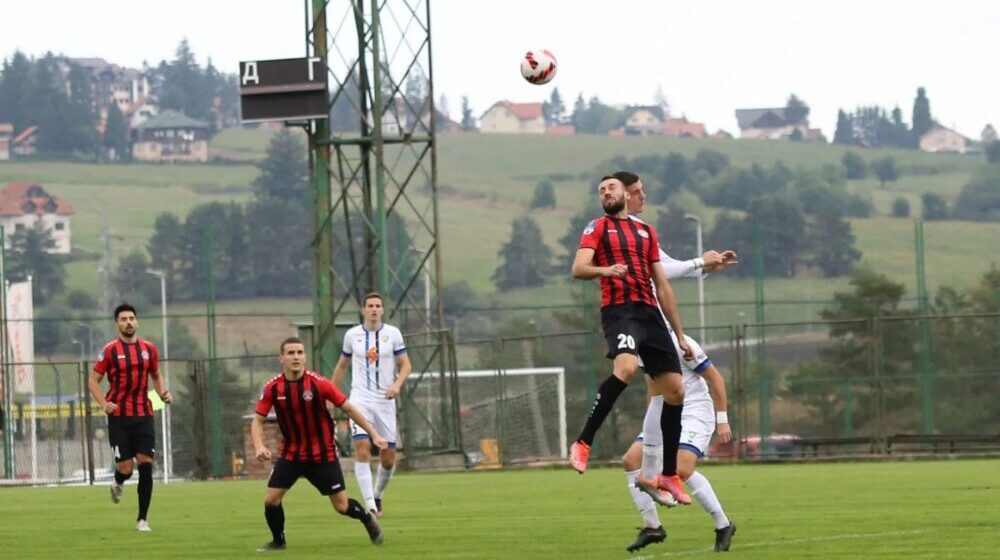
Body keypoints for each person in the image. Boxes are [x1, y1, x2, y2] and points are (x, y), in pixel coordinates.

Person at [569, 174, 694, 504]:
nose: (605, 192)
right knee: (625, 369)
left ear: (625, 193)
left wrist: (679, 334)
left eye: (610, 187)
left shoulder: (646, 232)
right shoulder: (597, 227)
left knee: (676, 391)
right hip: (620, 311)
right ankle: (583, 441)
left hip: (650, 314)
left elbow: (662, 285)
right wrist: (605, 270)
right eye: (601, 190)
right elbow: (579, 268)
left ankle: (668, 475)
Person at [252, 337, 385, 551]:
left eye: (300, 352)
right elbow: (258, 420)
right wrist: (259, 446)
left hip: (322, 455)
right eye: (291, 353)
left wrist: (374, 434)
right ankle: (278, 542)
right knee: (271, 499)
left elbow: (349, 409)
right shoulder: (273, 388)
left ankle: (367, 519)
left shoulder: (319, 384)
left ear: (305, 357)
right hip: (291, 454)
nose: (296, 357)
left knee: (341, 506)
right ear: (281, 358)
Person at [623, 332, 737, 553]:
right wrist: (650, 423)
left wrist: (722, 419)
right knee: (631, 460)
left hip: (695, 411)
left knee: (680, 469)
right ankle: (652, 527)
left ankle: (723, 524)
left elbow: (716, 379)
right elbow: (653, 388)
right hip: (665, 411)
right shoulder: (641, 347)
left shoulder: (681, 344)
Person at [87, 303, 171, 532]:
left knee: (145, 464)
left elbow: (156, 375)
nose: (129, 322)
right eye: (124, 319)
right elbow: (93, 381)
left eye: (132, 318)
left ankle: (142, 520)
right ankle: (118, 481)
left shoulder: (149, 349)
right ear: (117, 324)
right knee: (126, 468)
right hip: (119, 417)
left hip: (144, 414)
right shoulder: (109, 351)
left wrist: (163, 393)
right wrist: (104, 404)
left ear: (137, 321)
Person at [332, 292, 411, 517]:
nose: (374, 309)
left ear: (383, 310)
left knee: (388, 458)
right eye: (370, 306)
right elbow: (342, 366)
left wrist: (396, 385)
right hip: (360, 399)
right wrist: (330, 394)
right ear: (364, 310)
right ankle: (370, 506)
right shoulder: (352, 335)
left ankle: (377, 494)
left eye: (378, 306)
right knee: (362, 447)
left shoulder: (393, 334)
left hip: (385, 401)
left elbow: (406, 365)